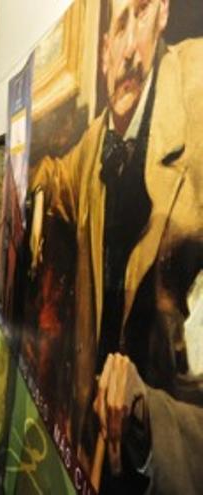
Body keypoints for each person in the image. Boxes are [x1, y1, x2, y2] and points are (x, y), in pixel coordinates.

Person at [27, 0, 203, 490]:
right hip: (102, 435)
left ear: (163, 14)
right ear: (102, 52)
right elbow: (53, 178)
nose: (128, 50)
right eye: (116, 29)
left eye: (140, 15)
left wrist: (151, 408)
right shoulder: (96, 141)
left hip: (171, 444)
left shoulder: (196, 83)